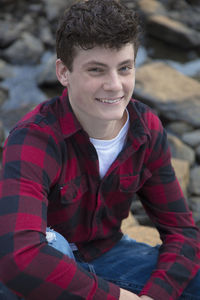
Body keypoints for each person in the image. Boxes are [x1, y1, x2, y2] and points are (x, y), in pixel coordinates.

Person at [0, 0, 200, 299]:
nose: (115, 85)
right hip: (45, 264)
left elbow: (183, 234)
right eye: (96, 70)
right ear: (63, 72)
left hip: (109, 255)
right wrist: (118, 298)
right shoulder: (34, 138)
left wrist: (154, 295)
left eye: (124, 68)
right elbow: (20, 259)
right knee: (51, 243)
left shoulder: (145, 130)